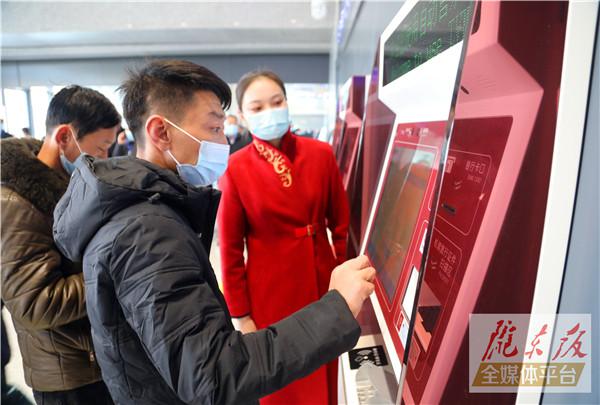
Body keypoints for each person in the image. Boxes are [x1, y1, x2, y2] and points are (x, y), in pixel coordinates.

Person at [52, 60, 375, 405]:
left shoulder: (149, 212)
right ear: (161, 132)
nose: (223, 141)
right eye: (214, 128)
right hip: (271, 288)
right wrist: (250, 313)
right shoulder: (147, 233)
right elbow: (213, 375)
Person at [217, 70, 350, 405]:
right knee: (283, 382)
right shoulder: (235, 168)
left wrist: (346, 275)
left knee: (327, 370)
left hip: (323, 281)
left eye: (277, 102)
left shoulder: (321, 154)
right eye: (257, 107)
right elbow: (230, 250)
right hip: (270, 291)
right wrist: (241, 314)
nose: (270, 112)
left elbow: (341, 225)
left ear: (287, 103)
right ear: (243, 116)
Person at [1, 85, 121, 405]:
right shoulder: (16, 204)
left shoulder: (72, 189)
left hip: (94, 359)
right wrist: (111, 271)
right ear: (65, 136)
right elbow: (36, 303)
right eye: (101, 148)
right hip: (68, 377)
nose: (104, 158)